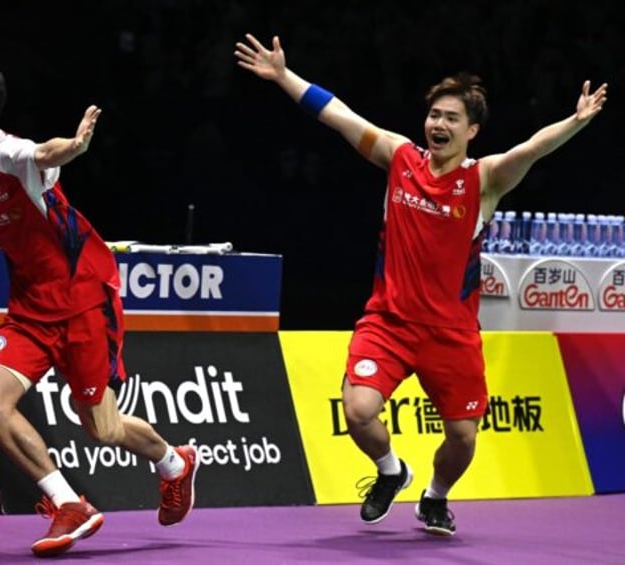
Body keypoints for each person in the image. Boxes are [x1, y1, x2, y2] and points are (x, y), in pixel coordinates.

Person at [235, 34, 607, 536]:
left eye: (452, 118)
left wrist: (576, 122)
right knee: (359, 410)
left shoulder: (485, 181)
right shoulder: (400, 159)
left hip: (451, 335)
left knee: (462, 437)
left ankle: (435, 496)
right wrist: (283, 77)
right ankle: (392, 471)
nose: (439, 124)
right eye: (434, 115)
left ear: (472, 130)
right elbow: (339, 115)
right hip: (388, 321)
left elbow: (532, 149)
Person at [0, 54, 200, 556]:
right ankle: (69, 503)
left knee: (101, 426)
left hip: (83, 298)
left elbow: (44, 154)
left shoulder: (12, 157)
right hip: (29, 304)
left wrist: (73, 147)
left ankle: (173, 463)